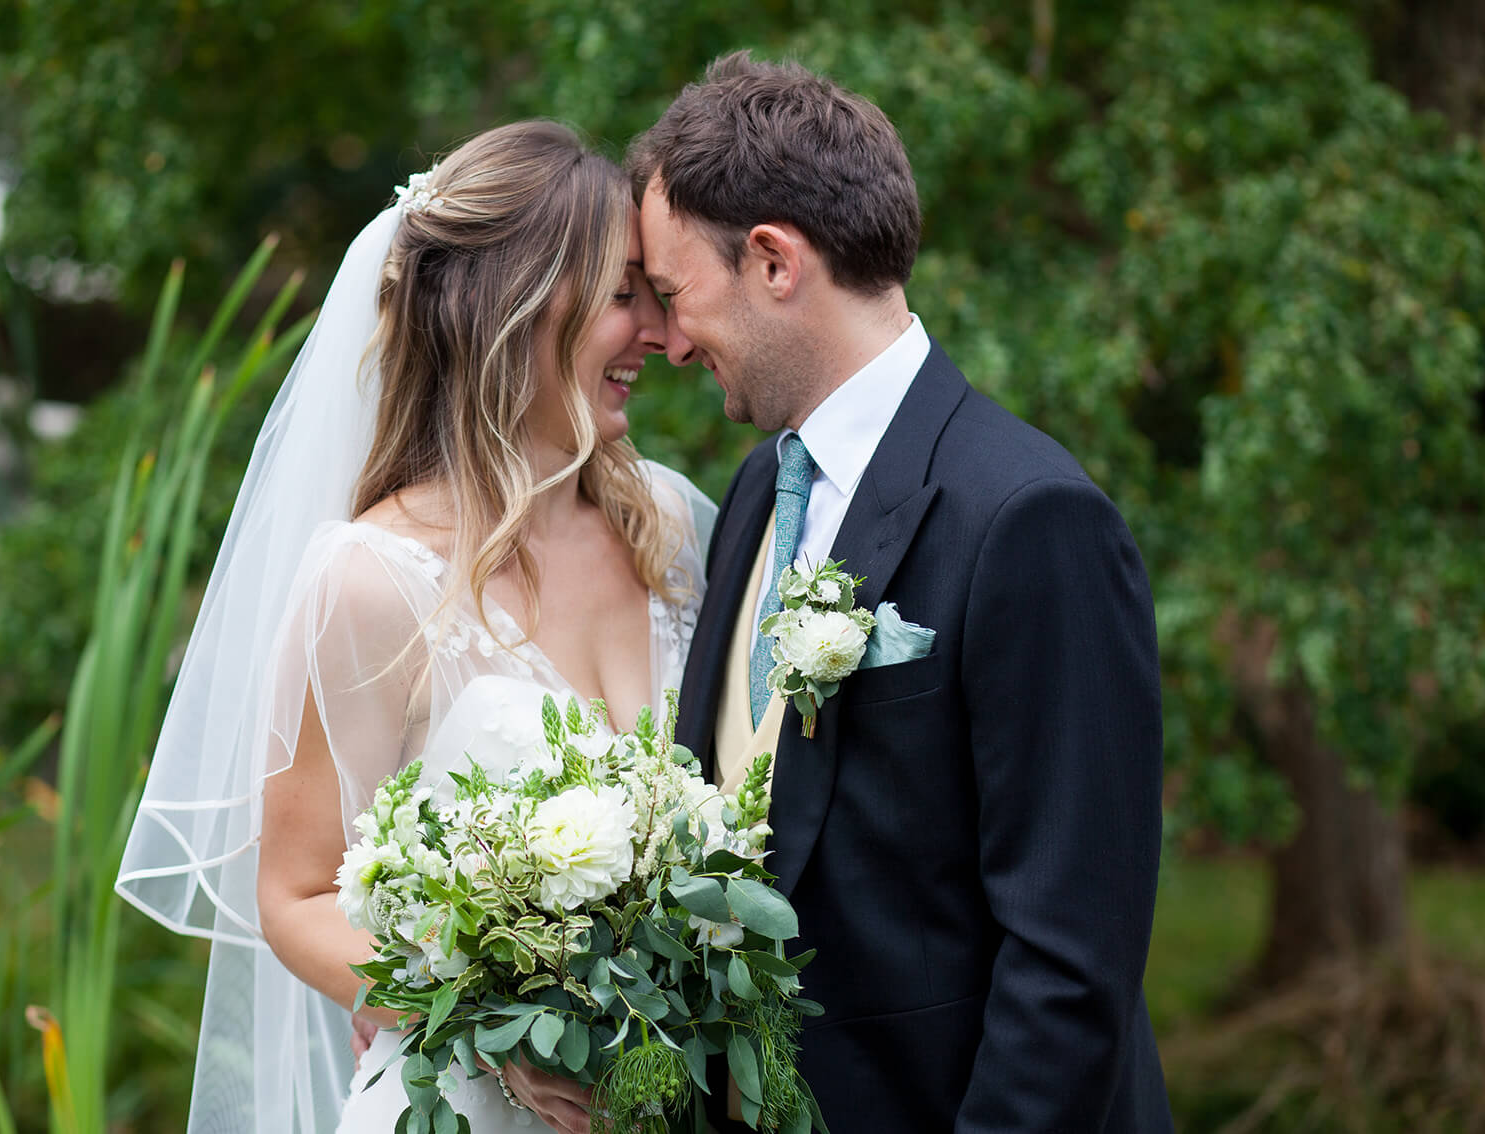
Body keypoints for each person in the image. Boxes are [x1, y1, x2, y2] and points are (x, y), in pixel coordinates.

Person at [115, 120, 714, 1133]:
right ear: (514, 305)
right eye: (622, 297)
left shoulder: (675, 526)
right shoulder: (371, 580)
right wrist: (495, 1022)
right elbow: (295, 896)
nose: (656, 334)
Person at [633, 54, 1173, 1131]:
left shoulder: (1027, 518)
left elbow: (1069, 961)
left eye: (670, 291)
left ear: (773, 262)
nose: (667, 339)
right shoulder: (754, 490)